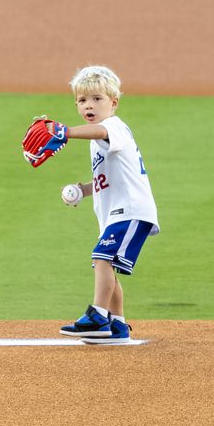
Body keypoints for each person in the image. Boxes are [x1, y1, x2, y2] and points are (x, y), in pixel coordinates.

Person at [53, 65, 160, 344]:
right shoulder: (101, 136)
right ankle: (117, 324)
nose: (89, 105)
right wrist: (84, 190)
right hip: (118, 212)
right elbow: (109, 178)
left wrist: (65, 132)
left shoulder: (113, 126)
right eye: (82, 100)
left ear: (113, 103)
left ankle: (97, 316)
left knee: (102, 258)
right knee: (106, 263)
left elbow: (99, 131)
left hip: (131, 210)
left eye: (97, 99)